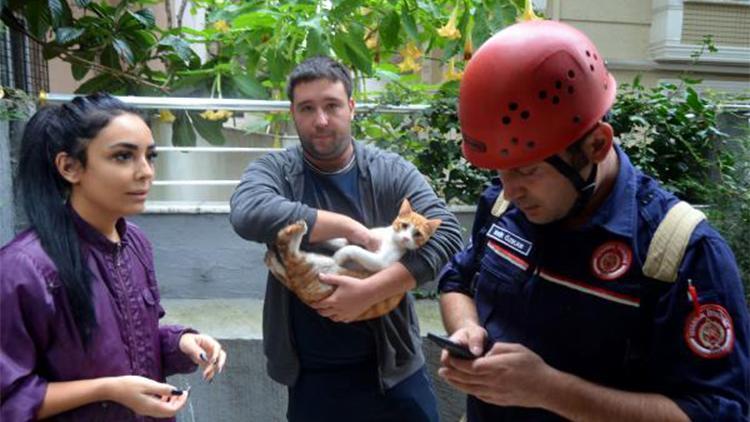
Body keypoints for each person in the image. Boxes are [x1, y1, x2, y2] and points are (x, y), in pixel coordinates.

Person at [436, 17, 750, 422]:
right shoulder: (504, 207)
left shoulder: (681, 254)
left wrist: (550, 390)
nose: (509, 190)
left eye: (528, 171)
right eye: (499, 170)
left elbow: (716, 413)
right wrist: (466, 329)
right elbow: (457, 279)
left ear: (597, 145)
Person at [229, 56, 463, 421]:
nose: (320, 120)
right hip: (313, 377)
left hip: (394, 369)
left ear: (351, 108)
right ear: (293, 112)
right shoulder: (278, 172)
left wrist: (372, 291)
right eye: (307, 108)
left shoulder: (388, 172)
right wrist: (347, 227)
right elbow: (247, 212)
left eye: (332, 106)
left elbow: (447, 231)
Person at [0, 93, 227, 421]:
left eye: (151, 156)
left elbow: (135, 340)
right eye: (123, 156)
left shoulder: (135, 242)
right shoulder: (23, 268)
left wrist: (182, 342)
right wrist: (107, 390)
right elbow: (10, 397)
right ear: (70, 167)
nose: (146, 172)